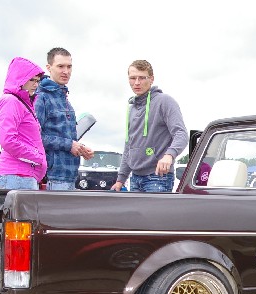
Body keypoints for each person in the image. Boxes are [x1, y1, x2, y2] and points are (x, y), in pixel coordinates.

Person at [112, 59, 188, 193]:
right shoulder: (132, 108)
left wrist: (169, 155)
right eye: (132, 78)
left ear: (151, 79)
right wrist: (120, 179)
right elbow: (129, 146)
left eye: (142, 78)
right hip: (135, 178)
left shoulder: (165, 101)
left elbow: (181, 134)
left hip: (158, 177)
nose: (137, 82)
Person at [34, 47, 94, 190]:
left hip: (69, 175)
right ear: (49, 67)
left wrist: (79, 147)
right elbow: (34, 137)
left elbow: (63, 136)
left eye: (69, 66)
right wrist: (69, 145)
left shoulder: (63, 97)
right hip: (52, 177)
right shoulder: (41, 97)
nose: (66, 71)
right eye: (60, 66)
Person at [0, 57, 47, 190]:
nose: (36, 85)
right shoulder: (11, 101)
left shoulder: (20, 103)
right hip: (17, 175)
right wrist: (37, 157)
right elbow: (7, 140)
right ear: (20, 78)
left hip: (21, 174)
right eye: (32, 80)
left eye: (37, 81)